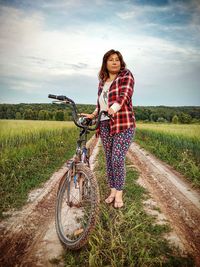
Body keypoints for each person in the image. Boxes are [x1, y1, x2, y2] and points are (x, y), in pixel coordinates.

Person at [82, 49, 136, 208]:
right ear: (105, 63)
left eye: (117, 59)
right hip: (105, 124)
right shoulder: (102, 81)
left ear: (121, 62)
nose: (114, 62)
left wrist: (114, 108)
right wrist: (93, 115)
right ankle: (112, 190)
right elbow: (101, 104)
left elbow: (125, 95)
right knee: (109, 160)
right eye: (111, 59)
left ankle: (119, 193)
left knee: (117, 158)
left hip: (122, 123)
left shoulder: (126, 75)